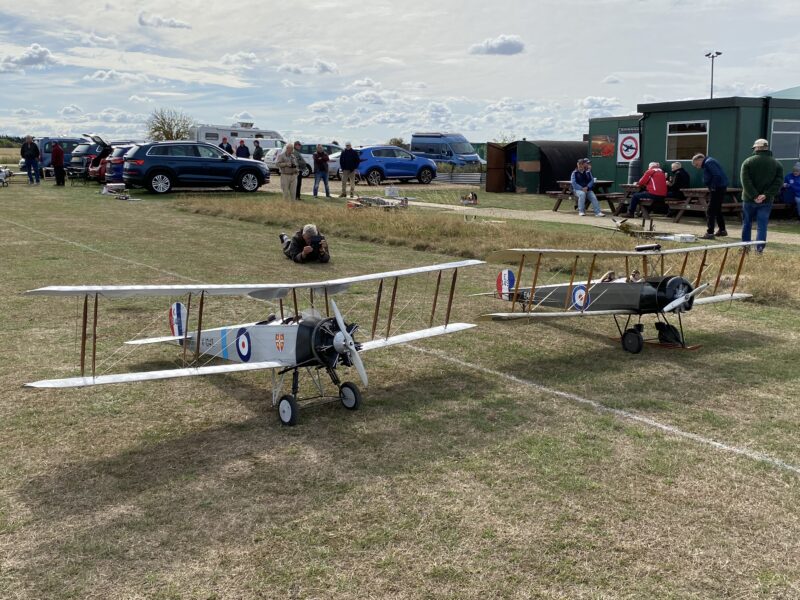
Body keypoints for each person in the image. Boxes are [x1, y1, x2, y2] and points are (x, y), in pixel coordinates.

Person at [740, 138, 783, 254]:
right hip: (766, 200)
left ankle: (745, 248)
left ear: (757, 148)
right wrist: (765, 195)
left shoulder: (747, 162)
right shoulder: (777, 164)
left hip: (749, 199)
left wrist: (754, 195)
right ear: (766, 148)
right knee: (762, 226)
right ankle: (759, 249)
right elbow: (778, 182)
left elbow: (745, 181)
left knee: (747, 223)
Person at [691, 153, 729, 240]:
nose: (697, 167)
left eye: (696, 164)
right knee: (717, 210)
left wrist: (713, 187)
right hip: (719, 187)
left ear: (700, 159)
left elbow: (717, 175)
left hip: (717, 188)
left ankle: (710, 233)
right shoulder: (710, 161)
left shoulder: (709, 162)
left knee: (710, 211)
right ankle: (722, 230)